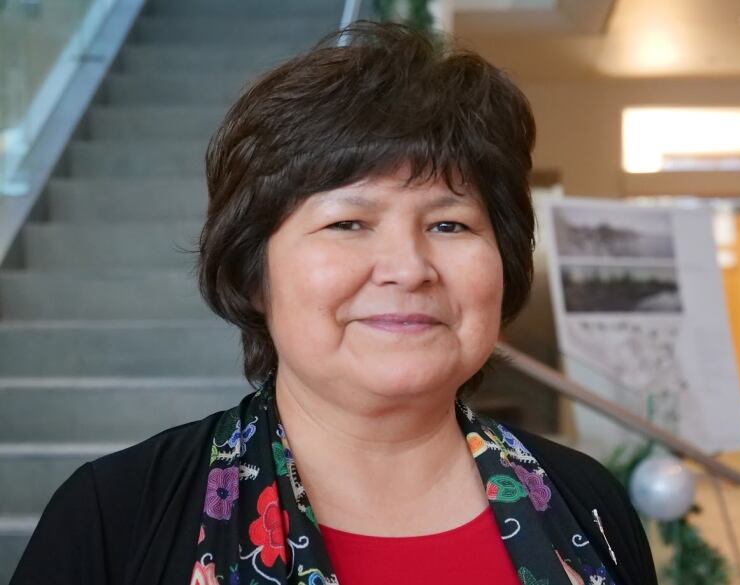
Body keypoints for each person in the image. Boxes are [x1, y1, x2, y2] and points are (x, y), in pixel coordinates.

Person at [10, 21, 657, 585]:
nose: (408, 268)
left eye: (450, 224)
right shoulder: (117, 516)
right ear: (253, 269)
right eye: (349, 223)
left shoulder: (586, 500)